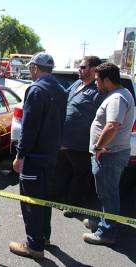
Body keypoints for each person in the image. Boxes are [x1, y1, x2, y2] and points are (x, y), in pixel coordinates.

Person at [10, 52, 67, 259]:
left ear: (35, 68)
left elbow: (29, 128)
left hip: (35, 156)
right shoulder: (60, 90)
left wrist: (20, 156)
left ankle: (34, 245)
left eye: (30, 68)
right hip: (52, 155)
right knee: (44, 197)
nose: (30, 72)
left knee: (31, 200)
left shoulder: (36, 90)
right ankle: (43, 237)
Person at [82, 63, 134, 245]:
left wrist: (98, 147)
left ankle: (108, 232)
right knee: (105, 192)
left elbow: (112, 125)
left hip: (110, 155)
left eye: (97, 80)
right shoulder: (119, 95)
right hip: (111, 153)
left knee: (109, 193)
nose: (96, 83)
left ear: (107, 80)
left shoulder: (117, 98)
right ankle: (104, 221)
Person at [54, 56, 105, 217]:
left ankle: (74, 205)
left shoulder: (100, 91)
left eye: (83, 67)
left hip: (81, 144)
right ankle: (60, 199)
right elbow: (64, 98)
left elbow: (103, 119)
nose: (79, 70)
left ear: (94, 69)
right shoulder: (76, 84)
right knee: (62, 171)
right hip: (63, 141)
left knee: (81, 175)